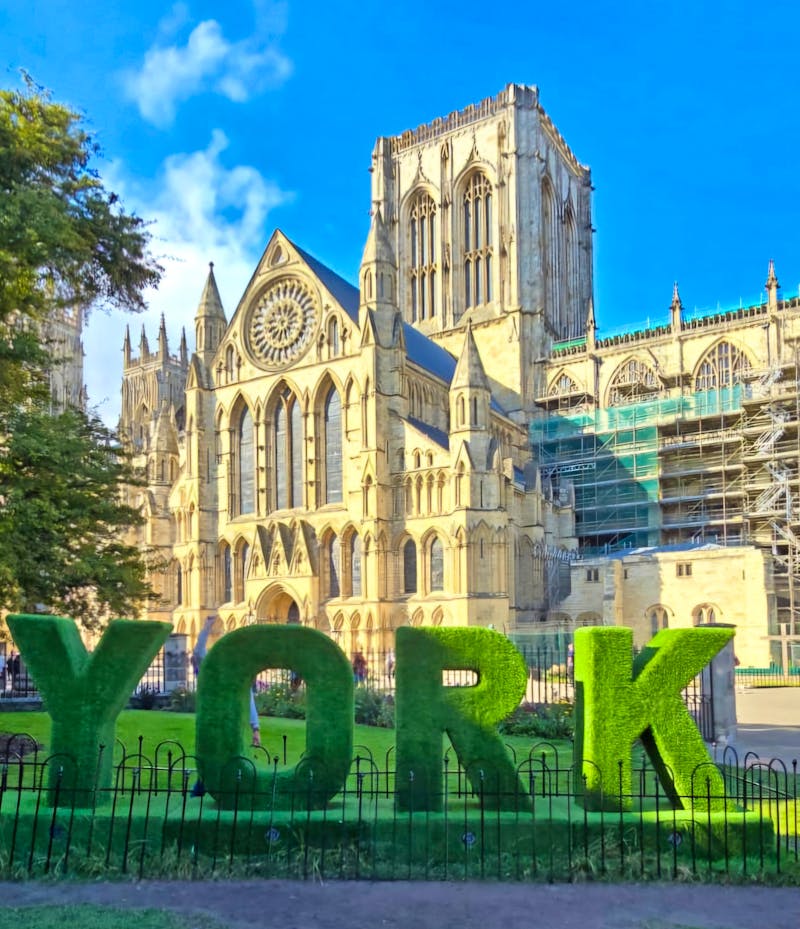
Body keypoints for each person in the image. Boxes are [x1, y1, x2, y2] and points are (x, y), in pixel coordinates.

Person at [193, 615, 261, 747]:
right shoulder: (211, 667)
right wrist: (207, 627)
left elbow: (248, 698)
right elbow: (198, 652)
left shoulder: (235, 674)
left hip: (230, 721)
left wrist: (255, 728)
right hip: (214, 720)